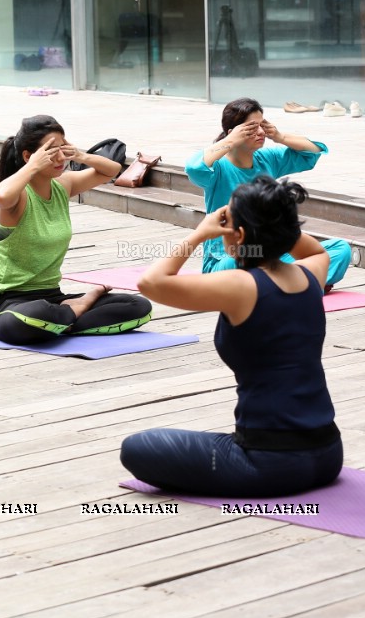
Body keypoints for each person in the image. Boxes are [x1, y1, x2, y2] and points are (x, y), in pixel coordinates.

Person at [122, 176, 342, 497]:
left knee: (137, 448)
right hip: (328, 453)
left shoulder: (241, 285)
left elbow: (151, 283)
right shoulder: (312, 273)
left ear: (237, 234)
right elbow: (314, 248)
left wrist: (200, 233)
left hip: (270, 462)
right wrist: (271, 217)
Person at [0, 115, 152, 344]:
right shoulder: (18, 197)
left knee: (139, 306)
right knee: (28, 317)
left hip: (54, 299)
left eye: (63, 147)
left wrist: (81, 155)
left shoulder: (64, 185)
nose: (61, 157)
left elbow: (111, 171)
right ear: (28, 155)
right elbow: (1, 195)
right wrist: (33, 164)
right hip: (8, 304)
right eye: (52, 151)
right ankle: (78, 308)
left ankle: (61, 321)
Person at [187, 97, 351, 289]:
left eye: (262, 125)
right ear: (233, 133)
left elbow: (312, 153)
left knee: (341, 249)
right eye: (251, 128)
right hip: (228, 259)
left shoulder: (267, 158)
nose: (261, 132)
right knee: (242, 261)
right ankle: (299, 280)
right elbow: (193, 168)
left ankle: (284, 282)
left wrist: (280, 137)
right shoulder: (218, 169)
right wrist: (230, 140)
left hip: (271, 252)